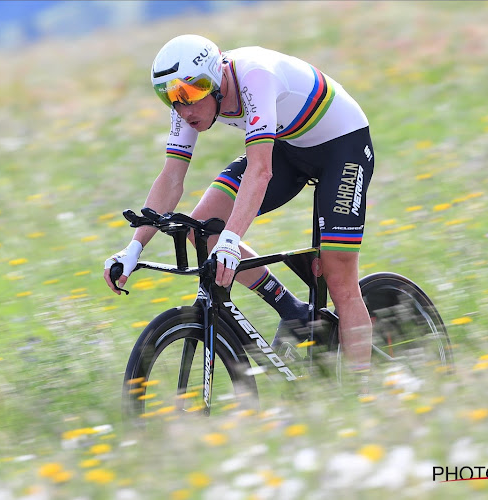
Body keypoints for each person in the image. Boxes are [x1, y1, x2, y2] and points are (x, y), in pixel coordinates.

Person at [104, 34, 374, 393]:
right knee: (201, 228)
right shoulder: (188, 98)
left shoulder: (254, 77)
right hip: (288, 145)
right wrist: (133, 249)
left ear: (214, 82)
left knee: (339, 276)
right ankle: (293, 310)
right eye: (170, 99)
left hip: (342, 146)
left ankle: (362, 396)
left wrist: (232, 242)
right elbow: (171, 177)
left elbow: (260, 171)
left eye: (188, 96)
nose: (183, 109)